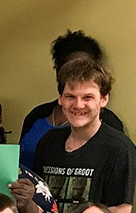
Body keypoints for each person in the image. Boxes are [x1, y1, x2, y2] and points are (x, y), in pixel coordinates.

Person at [34, 58, 136, 213]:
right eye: (70, 96)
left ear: (104, 99)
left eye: (88, 97)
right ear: (60, 99)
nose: (78, 105)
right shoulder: (48, 142)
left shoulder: (119, 149)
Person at [19, 30, 124, 170]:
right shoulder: (37, 115)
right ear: (58, 72)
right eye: (71, 68)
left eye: (86, 68)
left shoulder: (110, 123)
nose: (79, 74)